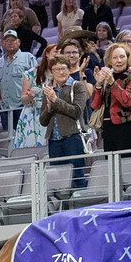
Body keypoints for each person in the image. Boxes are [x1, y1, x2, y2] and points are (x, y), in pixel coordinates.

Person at [39, 48, 93, 194]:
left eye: (64, 68)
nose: (61, 72)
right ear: (51, 72)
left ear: (69, 70)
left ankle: (81, 208)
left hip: (72, 137)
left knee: (77, 178)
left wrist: (56, 101)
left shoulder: (77, 86)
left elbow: (76, 111)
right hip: (54, 140)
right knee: (59, 182)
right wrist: (49, 107)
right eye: (57, 69)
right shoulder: (48, 90)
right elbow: (43, 121)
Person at [90, 43, 131, 155]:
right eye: (114, 58)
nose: (118, 61)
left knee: (127, 166)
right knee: (112, 167)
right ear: (109, 61)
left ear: (127, 58)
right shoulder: (107, 79)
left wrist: (112, 83)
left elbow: (128, 101)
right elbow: (95, 105)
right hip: (108, 129)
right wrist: (99, 84)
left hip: (127, 128)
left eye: (122, 57)